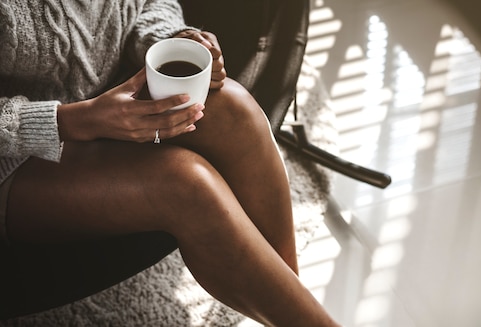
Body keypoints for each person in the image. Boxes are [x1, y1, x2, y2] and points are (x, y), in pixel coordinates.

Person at [0, 1, 341, 326]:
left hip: (103, 99)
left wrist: (173, 40)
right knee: (185, 186)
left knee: (234, 110)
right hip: (15, 157)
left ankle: (292, 308)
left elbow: (147, 2)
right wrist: (75, 121)